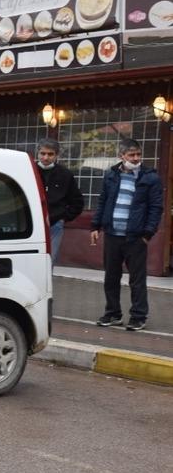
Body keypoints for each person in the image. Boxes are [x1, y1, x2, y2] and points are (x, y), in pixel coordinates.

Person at [90, 138, 163, 331]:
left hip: (136, 237)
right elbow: (103, 201)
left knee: (137, 279)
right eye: (131, 155)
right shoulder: (111, 175)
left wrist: (148, 233)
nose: (136, 158)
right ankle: (113, 314)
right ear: (121, 156)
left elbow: (156, 208)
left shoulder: (150, 178)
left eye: (138, 154)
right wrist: (95, 226)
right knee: (111, 277)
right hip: (112, 234)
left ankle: (138, 316)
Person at [35, 138, 84, 263]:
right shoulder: (29, 171)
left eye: (50, 154)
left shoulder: (65, 174)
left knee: (49, 261)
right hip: (30, 224)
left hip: (55, 225)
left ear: (57, 155)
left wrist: (63, 217)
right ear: (38, 153)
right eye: (42, 153)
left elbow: (77, 201)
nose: (46, 158)